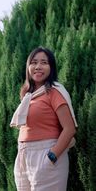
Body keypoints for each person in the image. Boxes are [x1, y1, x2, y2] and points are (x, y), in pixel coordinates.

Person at [10, 46, 77, 191]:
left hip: (46, 154)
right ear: (28, 66)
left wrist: (52, 156)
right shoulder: (28, 95)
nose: (38, 66)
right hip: (23, 156)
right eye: (34, 62)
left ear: (51, 68)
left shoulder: (54, 92)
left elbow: (69, 128)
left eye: (44, 63)